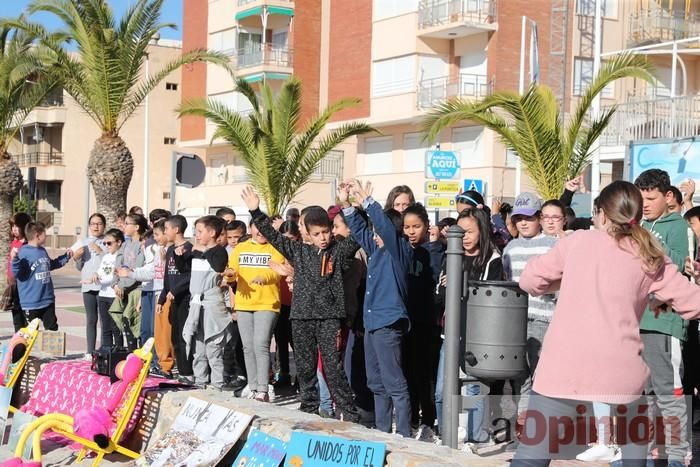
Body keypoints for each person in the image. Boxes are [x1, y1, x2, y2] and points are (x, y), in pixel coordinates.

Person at [512, 180, 700, 466]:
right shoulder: (648, 253)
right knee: (634, 456)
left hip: (562, 370)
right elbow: (693, 303)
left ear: (601, 213)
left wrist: (565, 279)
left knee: (530, 458)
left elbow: (529, 281)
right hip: (622, 373)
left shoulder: (576, 242)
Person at [242, 186, 361, 422]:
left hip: (329, 318)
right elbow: (273, 236)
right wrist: (256, 210)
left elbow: (358, 235)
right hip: (301, 317)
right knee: (305, 367)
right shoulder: (297, 251)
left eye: (326, 232)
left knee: (332, 367)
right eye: (317, 234)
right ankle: (308, 408)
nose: (323, 238)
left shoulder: (338, 250)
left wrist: (347, 206)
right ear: (306, 232)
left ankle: (349, 412)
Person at [341, 179, 413, 437]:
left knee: (394, 383)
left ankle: (404, 433)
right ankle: (383, 431)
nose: (373, 234)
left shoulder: (399, 251)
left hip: (388, 323)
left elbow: (384, 226)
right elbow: (360, 232)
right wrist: (347, 205)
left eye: (377, 230)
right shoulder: (377, 250)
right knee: (376, 382)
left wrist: (369, 202)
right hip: (371, 323)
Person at [634, 169, 693, 466]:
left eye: (650, 198)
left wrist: (645, 238)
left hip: (664, 322)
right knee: (643, 394)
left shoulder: (678, 226)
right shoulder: (639, 224)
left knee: (669, 392)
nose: (644, 204)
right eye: (641, 197)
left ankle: (677, 454)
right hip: (636, 321)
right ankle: (645, 451)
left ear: (668, 196)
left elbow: (680, 265)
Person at [435, 208, 504, 448]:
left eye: (470, 232)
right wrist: (446, 288)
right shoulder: (451, 255)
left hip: (478, 337)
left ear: (482, 231)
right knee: (442, 390)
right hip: (450, 334)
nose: (464, 237)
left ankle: (476, 438)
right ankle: (446, 436)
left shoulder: (493, 260)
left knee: (475, 388)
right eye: (460, 231)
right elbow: (439, 297)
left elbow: (492, 300)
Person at [502, 192, 558, 421]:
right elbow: (507, 282)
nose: (523, 223)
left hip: (545, 318)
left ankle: (542, 425)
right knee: (520, 375)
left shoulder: (554, 245)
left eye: (529, 217)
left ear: (539, 218)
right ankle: (525, 425)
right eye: (518, 218)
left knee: (542, 374)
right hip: (516, 320)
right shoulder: (510, 248)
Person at [225, 221, 284, 401]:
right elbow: (233, 270)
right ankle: (252, 386)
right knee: (248, 346)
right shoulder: (241, 247)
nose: (260, 232)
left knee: (261, 344)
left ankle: (263, 389)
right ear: (251, 229)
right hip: (244, 303)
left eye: (264, 228)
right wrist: (230, 274)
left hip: (267, 303)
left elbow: (278, 272)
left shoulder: (275, 247)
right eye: (256, 227)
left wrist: (263, 277)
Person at [402, 203, 438, 441]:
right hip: (406, 322)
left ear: (426, 226)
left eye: (416, 226)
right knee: (408, 373)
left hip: (428, 322)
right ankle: (412, 418)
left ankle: (429, 420)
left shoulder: (435, 252)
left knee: (426, 375)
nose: (411, 231)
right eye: (407, 227)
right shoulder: (401, 250)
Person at [180, 216, 229, 390]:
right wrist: (180, 255)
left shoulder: (219, 251)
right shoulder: (196, 251)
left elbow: (218, 266)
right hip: (196, 304)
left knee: (213, 347)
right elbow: (183, 269)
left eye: (200, 232)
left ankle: (217, 383)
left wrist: (204, 250)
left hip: (211, 304)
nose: (197, 235)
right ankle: (200, 380)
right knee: (197, 346)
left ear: (212, 233)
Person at [118, 219, 167, 372]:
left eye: (157, 235)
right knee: (145, 330)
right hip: (147, 291)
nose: (143, 245)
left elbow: (151, 272)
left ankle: (156, 363)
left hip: (158, 292)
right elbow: (148, 269)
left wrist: (131, 273)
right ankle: (146, 361)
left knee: (155, 331)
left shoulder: (160, 250)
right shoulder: (152, 249)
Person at [11, 222, 72, 331]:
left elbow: (50, 265)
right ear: (37, 236)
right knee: (30, 335)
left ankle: (51, 349)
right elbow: (16, 273)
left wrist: (66, 257)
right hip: (31, 303)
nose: (47, 236)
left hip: (47, 301)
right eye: (45, 233)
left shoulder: (42, 251)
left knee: (52, 331)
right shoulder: (23, 252)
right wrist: (14, 259)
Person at [157, 215, 195, 384]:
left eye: (166, 229)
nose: (165, 232)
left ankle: (188, 372)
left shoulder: (190, 249)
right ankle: (181, 371)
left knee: (183, 337)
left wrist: (177, 290)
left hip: (185, 299)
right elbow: (167, 277)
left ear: (176, 229)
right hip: (172, 300)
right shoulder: (171, 249)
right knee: (174, 338)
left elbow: (190, 276)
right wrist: (162, 298)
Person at [110, 213, 147, 349]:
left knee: (135, 323)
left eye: (127, 223)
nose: (123, 226)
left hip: (136, 290)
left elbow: (137, 270)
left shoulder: (142, 246)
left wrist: (123, 284)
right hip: (122, 290)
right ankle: (131, 353)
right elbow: (117, 267)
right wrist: (116, 285)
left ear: (136, 227)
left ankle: (140, 355)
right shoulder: (125, 245)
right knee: (123, 320)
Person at [73, 213, 107, 359]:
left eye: (99, 223)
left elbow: (111, 262)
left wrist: (100, 251)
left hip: (103, 286)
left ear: (104, 225)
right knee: (91, 319)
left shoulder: (108, 241)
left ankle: (105, 349)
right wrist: (77, 258)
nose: (96, 226)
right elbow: (79, 267)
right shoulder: (83, 242)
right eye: (93, 224)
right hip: (87, 286)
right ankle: (89, 351)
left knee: (104, 319)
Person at [272, 220, 299, 387]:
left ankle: (302, 378)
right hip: (279, 302)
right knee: (281, 341)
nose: (288, 243)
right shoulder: (276, 253)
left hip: (297, 304)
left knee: (297, 342)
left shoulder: (301, 254)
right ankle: (283, 374)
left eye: (292, 239)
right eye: (285, 239)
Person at [94, 228, 125, 348]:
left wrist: (100, 279)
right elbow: (100, 272)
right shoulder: (106, 257)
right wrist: (95, 275)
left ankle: (118, 352)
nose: (107, 246)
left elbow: (113, 276)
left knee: (116, 326)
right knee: (105, 327)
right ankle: (107, 353)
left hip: (114, 296)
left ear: (119, 242)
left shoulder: (121, 257)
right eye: (105, 243)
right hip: (103, 294)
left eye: (109, 243)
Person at [7, 212, 32, 331]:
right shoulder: (14, 242)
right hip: (12, 283)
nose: (14, 229)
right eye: (13, 226)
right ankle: (18, 336)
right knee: (15, 311)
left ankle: (23, 337)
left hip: (22, 283)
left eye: (17, 226)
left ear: (24, 227)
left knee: (22, 312)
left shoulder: (27, 245)